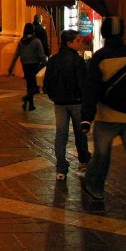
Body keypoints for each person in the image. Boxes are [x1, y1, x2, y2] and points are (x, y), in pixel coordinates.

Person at [80, 16, 126, 225]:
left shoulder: (100, 58)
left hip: (107, 117)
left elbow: (91, 89)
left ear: (103, 33)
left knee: (102, 155)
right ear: (123, 33)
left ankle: (94, 186)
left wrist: (86, 117)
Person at [42, 30, 91, 180]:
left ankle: (61, 169)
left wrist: (54, 96)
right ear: (69, 43)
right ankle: (83, 162)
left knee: (60, 135)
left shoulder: (53, 60)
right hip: (76, 103)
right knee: (80, 133)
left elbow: (47, 83)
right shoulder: (77, 60)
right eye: (78, 40)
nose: (80, 43)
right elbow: (82, 84)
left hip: (60, 103)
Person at [8, 23, 47, 111]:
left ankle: (30, 104)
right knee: (36, 87)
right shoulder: (36, 41)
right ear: (33, 31)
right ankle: (26, 98)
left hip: (25, 65)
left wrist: (11, 67)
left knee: (29, 85)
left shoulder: (21, 41)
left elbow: (16, 54)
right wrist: (46, 64)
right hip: (34, 65)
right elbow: (41, 55)